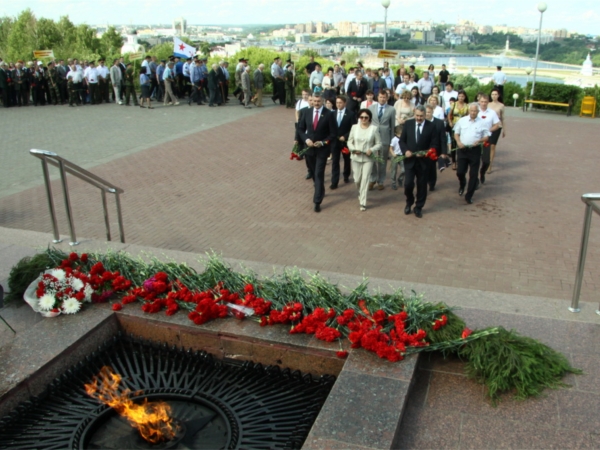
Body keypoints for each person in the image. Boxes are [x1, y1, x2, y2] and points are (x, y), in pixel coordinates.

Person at [297, 92, 336, 212]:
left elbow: (333, 134)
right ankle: (319, 188)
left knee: (319, 173)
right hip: (309, 148)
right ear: (312, 101)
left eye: (319, 101)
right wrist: (306, 139)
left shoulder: (329, 114)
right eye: (314, 101)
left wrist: (323, 142)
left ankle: (317, 200)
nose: (316, 103)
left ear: (323, 101)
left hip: (322, 149)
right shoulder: (306, 112)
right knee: (314, 173)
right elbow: (300, 129)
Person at [399, 105, 439, 218]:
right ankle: (409, 201)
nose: (419, 118)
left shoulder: (431, 126)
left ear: (425, 115)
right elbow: (402, 141)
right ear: (414, 114)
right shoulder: (408, 124)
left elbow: (435, 144)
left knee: (422, 186)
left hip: (424, 162)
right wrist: (405, 150)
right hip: (410, 160)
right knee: (408, 184)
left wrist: (427, 152)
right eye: (417, 115)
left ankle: (418, 207)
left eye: (421, 116)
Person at [454, 103, 491, 204]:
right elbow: (456, 133)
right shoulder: (462, 120)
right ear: (468, 111)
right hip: (462, 150)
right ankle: (462, 184)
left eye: (475, 111)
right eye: (471, 111)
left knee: (473, 174)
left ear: (478, 112)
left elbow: (487, 136)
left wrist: (480, 140)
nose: (473, 113)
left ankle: (469, 195)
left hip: (475, 151)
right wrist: (458, 142)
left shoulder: (482, 123)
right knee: (460, 172)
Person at [348, 108, 382, 211]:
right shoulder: (354, 128)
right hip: (356, 157)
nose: (363, 119)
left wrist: (371, 150)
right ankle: (360, 192)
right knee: (357, 179)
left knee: (365, 179)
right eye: (361, 117)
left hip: (368, 158)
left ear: (369, 118)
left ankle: (363, 202)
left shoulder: (374, 129)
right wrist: (353, 149)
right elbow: (349, 141)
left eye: (366, 117)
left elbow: (379, 143)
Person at [367, 91, 395, 190]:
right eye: (380, 97)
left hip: (385, 137)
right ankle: (373, 178)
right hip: (373, 137)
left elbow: (392, 125)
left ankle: (381, 181)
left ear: (387, 98)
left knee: (382, 160)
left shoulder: (391, 109)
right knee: (371, 158)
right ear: (377, 97)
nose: (382, 99)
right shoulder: (371, 108)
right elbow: (368, 123)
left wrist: (391, 141)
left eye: (384, 97)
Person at [330, 95, 356, 189]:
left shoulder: (351, 114)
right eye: (337, 103)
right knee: (335, 161)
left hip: (345, 141)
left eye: (340, 102)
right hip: (335, 142)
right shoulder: (332, 114)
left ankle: (346, 175)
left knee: (346, 159)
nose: (338, 104)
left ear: (345, 103)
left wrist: (345, 136)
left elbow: (353, 128)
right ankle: (334, 181)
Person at [391, 90, 415, 189]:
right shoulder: (398, 103)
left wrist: (406, 120)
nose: (406, 99)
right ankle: (393, 182)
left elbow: (414, 115)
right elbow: (394, 112)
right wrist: (399, 119)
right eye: (405, 97)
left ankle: (401, 178)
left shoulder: (412, 104)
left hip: (407, 124)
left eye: (408, 98)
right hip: (398, 123)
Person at [476, 93, 500, 184]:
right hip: (476, 138)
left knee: (486, 160)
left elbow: (497, 125)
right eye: (482, 101)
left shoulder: (492, 112)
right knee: (476, 161)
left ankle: (482, 173)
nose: (483, 103)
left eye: (485, 102)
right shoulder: (475, 111)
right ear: (479, 102)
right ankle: (476, 179)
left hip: (486, 138)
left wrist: (489, 130)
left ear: (488, 102)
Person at [425, 104, 449, 191]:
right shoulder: (421, 122)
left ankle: (431, 183)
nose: (427, 114)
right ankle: (424, 181)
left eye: (429, 112)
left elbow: (443, 138)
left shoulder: (439, 123)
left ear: (432, 112)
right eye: (426, 112)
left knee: (431, 167)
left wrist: (444, 152)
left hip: (435, 149)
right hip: (424, 149)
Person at [447, 90, 469, 170]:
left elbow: (468, 116)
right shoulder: (454, 104)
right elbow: (449, 114)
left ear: (465, 97)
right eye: (459, 96)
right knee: (453, 143)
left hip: (463, 126)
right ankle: (453, 161)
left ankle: (461, 160)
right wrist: (450, 122)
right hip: (454, 125)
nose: (461, 98)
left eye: (462, 96)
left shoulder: (467, 106)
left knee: (461, 142)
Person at [295, 91, 313, 180]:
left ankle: (316, 172)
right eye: (310, 100)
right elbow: (299, 126)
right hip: (306, 137)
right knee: (307, 156)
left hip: (316, 138)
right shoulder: (303, 111)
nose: (311, 102)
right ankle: (310, 171)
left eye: (312, 100)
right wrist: (296, 138)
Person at [487, 88, 506, 174]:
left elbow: (503, 118)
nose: (494, 96)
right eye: (492, 94)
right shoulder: (488, 104)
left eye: (495, 94)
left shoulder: (501, 105)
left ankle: (490, 165)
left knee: (492, 146)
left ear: (498, 95)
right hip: (488, 126)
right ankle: (485, 161)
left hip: (497, 126)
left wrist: (504, 129)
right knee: (486, 145)